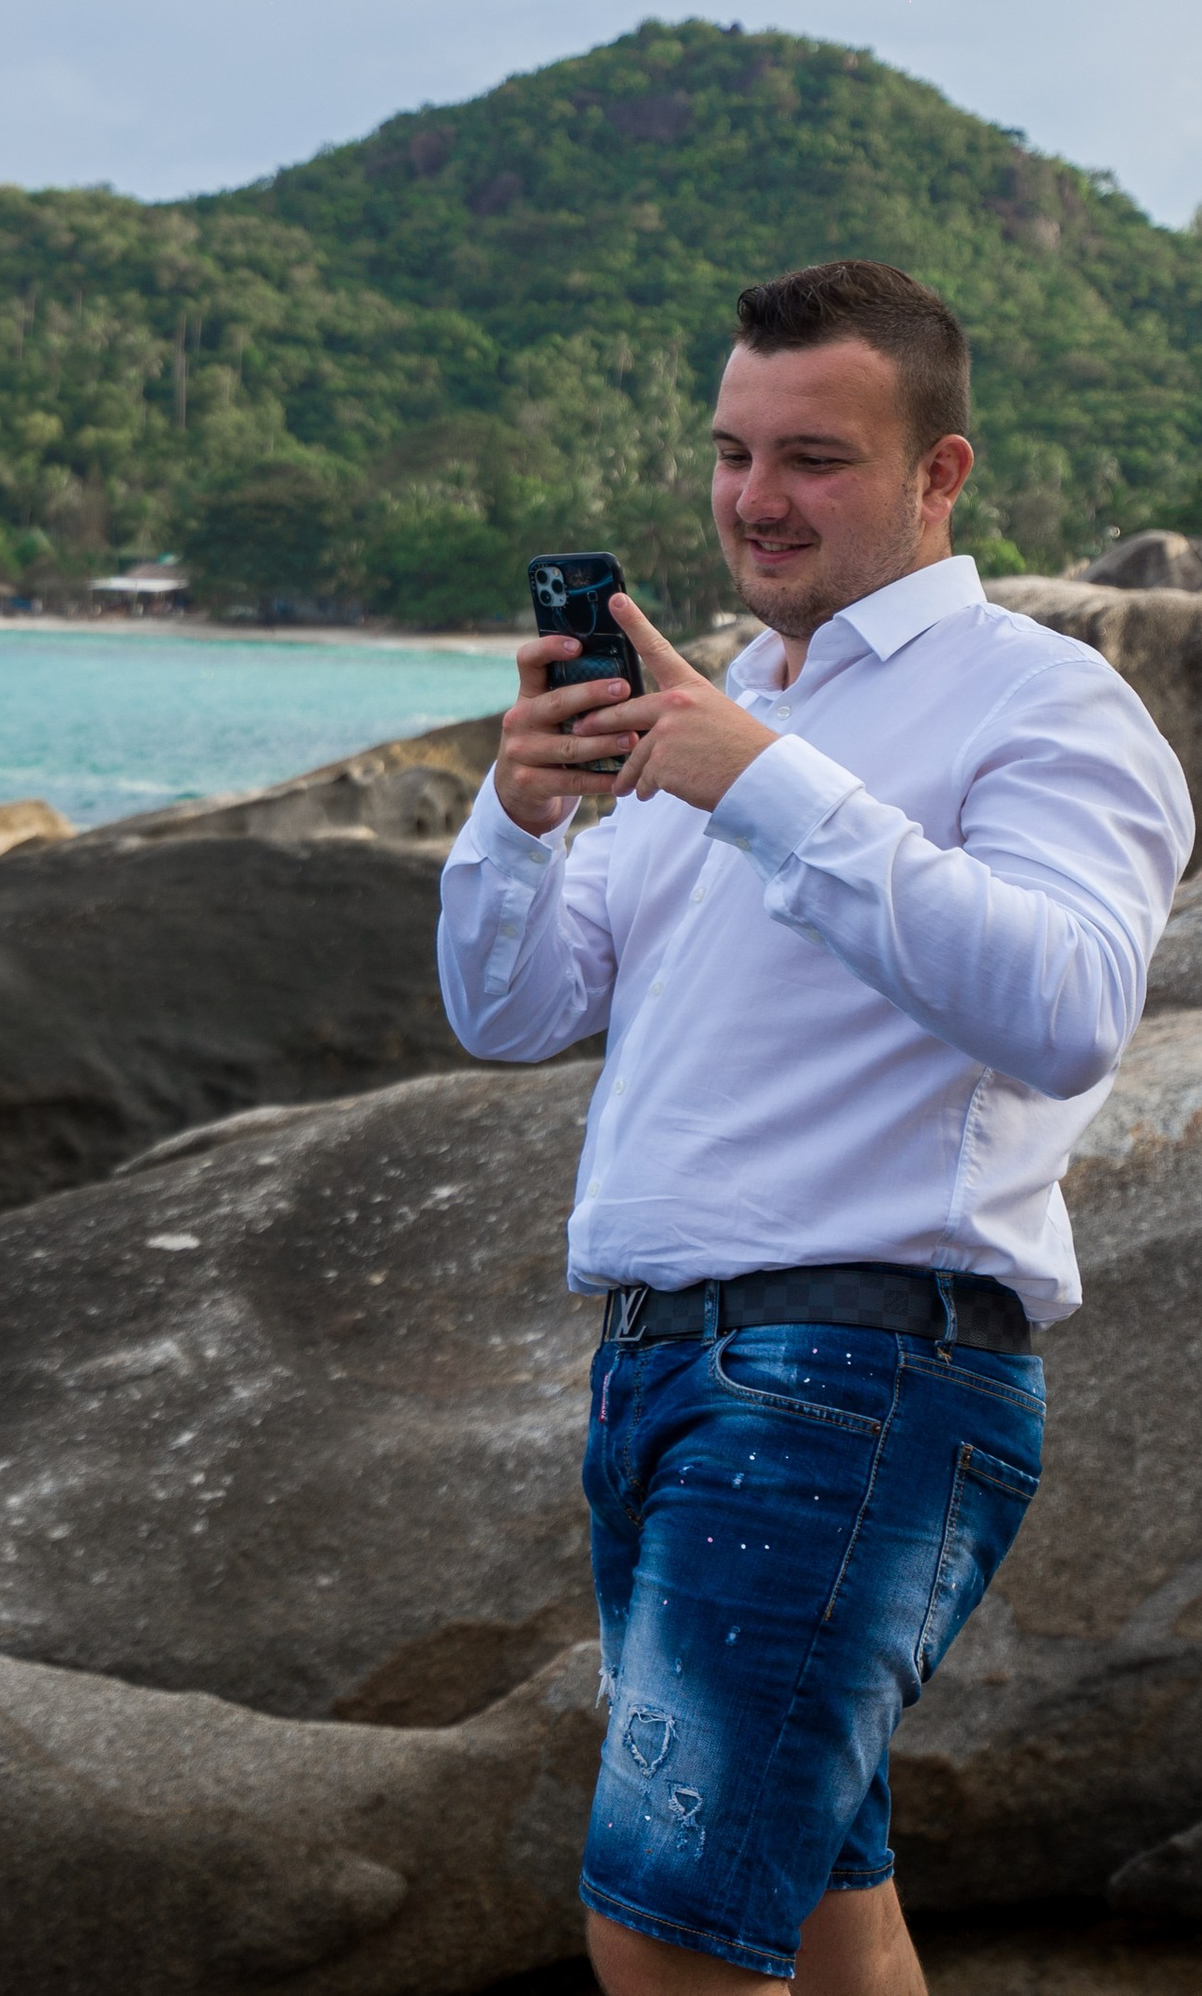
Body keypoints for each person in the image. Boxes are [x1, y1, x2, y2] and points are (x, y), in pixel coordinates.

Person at [437, 261, 1191, 1996]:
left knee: (663, 1935)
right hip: (655, 1370)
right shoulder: (704, 706)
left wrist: (762, 781)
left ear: (942, 475)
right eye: (731, 451)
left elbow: (1074, 1005)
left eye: (815, 459)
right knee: (836, 1915)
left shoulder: (1044, 703)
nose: (755, 499)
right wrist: (517, 807)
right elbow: (515, 1010)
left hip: (861, 1378)